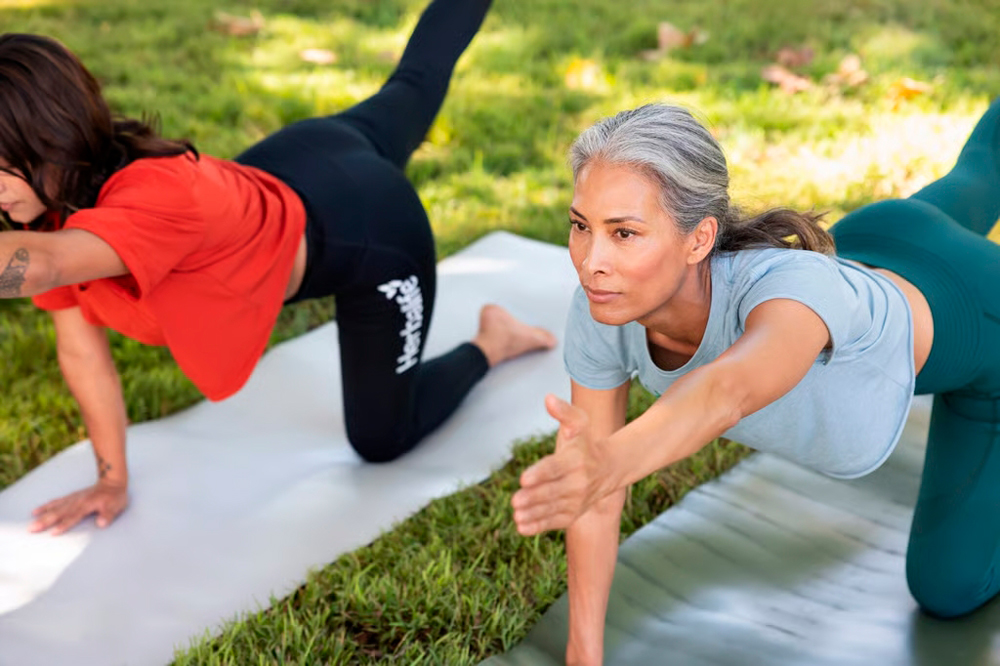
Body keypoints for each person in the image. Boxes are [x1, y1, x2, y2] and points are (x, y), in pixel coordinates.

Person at [0, 0, 556, 536]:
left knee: (383, 440)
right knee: (414, 83)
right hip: (305, 158)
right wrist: (112, 479)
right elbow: (79, 348)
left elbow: (42, 269)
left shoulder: (151, 198)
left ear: (49, 140)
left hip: (370, 229)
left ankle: (494, 343)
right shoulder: (46, 215)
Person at [510, 99, 1000, 665]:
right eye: (580, 225)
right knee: (977, 177)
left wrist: (616, 459)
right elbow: (596, 493)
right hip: (877, 236)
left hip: (978, 317)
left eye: (624, 233)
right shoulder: (603, 310)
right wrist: (582, 655)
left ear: (699, 239)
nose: (591, 260)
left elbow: (727, 391)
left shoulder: (789, 296)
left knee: (949, 588)